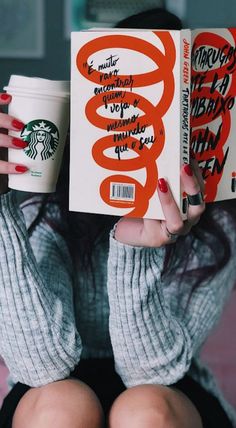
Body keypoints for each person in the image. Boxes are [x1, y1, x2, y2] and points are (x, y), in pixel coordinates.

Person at [0, 7, 236, 428]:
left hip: (170, 389)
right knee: (61, 405)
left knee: (143, 410)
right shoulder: (48, 208)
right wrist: (1, 210)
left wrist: (132, 249)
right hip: (52, 392)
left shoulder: (217, 229)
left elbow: (151, 375)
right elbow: (40, 364)